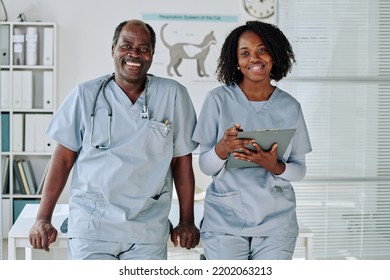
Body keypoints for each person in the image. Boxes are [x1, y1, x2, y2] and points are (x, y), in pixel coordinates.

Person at [29, 19, 200, 260]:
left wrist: (186, 220)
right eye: (126, 45)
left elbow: (182, 161)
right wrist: (43, 218)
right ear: (113, 49)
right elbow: (63, 160)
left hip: (146, 229)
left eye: (143, 48)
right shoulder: (85, 94)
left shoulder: (173, 95)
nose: (134, 54)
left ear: (152, 55)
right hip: (93, 227)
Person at [192, 21, 312, 260]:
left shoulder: (290, 106)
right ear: (236, 61)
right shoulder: (218, 100)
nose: (254, 58)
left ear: (275, 55)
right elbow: (205, 166)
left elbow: (299, 170)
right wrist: (222, 149)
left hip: (276, 223)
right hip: (225, 220)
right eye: (245, 53)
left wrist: (275, 166)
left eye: (262, 50)